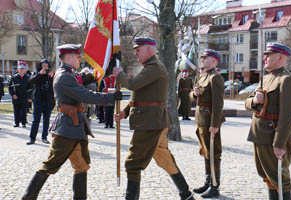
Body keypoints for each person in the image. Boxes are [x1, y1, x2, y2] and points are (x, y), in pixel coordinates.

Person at [21, 44, 122, 200]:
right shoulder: (64, 76)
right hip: (67, 128)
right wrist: (110, 98)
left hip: (74, 127)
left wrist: (107, 67)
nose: (80, 58)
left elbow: (87, 78)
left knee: (81, 165)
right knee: (50, 164)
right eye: (77, 56)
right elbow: (85, 94)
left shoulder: (69, 74)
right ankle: (28, 197)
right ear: (68, 58)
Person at [113, 37, 195, 200]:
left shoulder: (154, 67)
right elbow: (141, 94)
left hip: (150, 123)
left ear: (150, 48)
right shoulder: (149, 67)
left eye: (138, 49)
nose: (136, 53)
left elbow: (133, 84)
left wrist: (119, 74)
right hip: (153, 121)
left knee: (133, 163)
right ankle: (186, 194)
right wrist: (126, 111)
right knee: (164, 158)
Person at [245, 42, 291, 200]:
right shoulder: (266, 78)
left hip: (273, 135)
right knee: (267, 175)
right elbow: (247, 103)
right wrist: (254, 100)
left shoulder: (287, 80)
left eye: (268, 55)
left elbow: (288, 115)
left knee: (280, 178)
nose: (264, 58)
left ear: (280, 57)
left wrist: (279, 143)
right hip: (259, 135)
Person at [190, 49, 224, 198]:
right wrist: (194, 94)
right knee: (205, 152)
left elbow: (218, 104)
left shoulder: (215, 78)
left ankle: (214, 186)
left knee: (213, 153)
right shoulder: (202, 76)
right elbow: (193, 96)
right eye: (202, 57)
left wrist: (215, 124)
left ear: (214, 61)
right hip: (201, 120)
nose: (202, 59)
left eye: (206, 58)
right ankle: (207, 181)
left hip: (210, 120)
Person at [27, 59, 55, 145]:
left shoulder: (51, 75)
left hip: (48, 100)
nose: (45, 67)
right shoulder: (37, 73)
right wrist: (39, 74)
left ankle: (44, 137)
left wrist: (53, 77)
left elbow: (56, 85)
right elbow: (30, 81)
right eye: (43, 65)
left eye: (46, 65)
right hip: (38, 100)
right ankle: (32, 138)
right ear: (40, 66)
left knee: (46, 120)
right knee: (36, 120)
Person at [9, 60, 31, 128]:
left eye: (23, 69)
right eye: (20, 69)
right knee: (16, 111)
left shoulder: (28, 77)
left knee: (24, 111)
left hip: (24, 97)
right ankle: (17, 123)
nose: (21, 70)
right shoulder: (14, 77)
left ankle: (23, 122)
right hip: (16, 97)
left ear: (25, 70)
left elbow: (30, 88)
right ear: (18, 69)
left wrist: (29, 97)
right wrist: (13, 94)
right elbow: (10, 87)